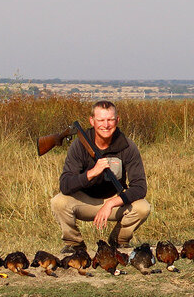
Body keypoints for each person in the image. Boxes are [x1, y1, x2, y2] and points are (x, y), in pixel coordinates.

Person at [50, 101, 151, 253]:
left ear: (117, 120)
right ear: (92, 121)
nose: (106, 125)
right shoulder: (79, 145)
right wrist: (92, 173)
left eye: (110, 120)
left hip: (114, 203)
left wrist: (111, 203)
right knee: (58, 202)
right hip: (84, 200)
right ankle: (74, 243)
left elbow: (140, 187)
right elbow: (65, 185)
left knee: (143, 207)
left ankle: (119, 241)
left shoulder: (128, 146)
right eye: (101, 120)